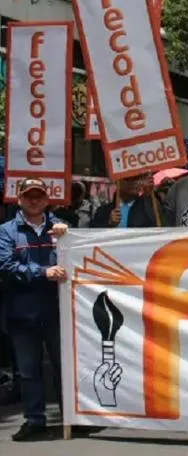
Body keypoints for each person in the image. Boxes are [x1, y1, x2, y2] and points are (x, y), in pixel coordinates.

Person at [0, 178, 68, 442]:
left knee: (65, 367)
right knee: (28, 371)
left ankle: (70, 418)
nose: (34, 200)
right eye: (29, 195)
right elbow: (5, 267)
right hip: (22, 314)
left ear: (47, 199)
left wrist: (70, 234)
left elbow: (79, 256)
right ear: (19, 199)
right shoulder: (5, 231)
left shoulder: (61, 228)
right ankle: (35, 420)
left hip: (57, 311)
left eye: (39, 195)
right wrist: (43, 272)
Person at [91, 176, 158, 228]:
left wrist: (147, 195)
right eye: (128, 179)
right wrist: (109, 224)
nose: (133, 182)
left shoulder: (148, 207)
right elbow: (95, 237)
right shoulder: (102, 211)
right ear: (117, 181)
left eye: (137, 178)